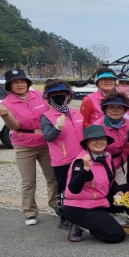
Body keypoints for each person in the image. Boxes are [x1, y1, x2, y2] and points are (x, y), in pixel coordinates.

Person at [0, 68, 58, 225]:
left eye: (22, 81)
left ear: (28, 83)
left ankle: (56, 205)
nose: (20, 84)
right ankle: (30, 212)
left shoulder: (39, 95)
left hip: (46, 142)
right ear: (9, 86)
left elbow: (51, 111)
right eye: (15, 82)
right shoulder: (6, 104)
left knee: (53, 176)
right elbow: (14, 126)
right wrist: (5, 115)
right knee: (29, 181)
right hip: (24, 145)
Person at [62, 125, 129, 244]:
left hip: (99, 200)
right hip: (79, 207)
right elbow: (74, 188)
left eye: (102, 139)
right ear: (87, 143)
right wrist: (86, 169)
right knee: (116, 235)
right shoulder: (81, 161)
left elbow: (111, 181)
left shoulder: (106, 156)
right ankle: (80, 224)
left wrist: (118, 192)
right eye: (94, 139)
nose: (99, 142)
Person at [40, 79, 85, 229]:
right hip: (62, 160)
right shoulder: (47, 116)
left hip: (79, 158)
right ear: (49, 97)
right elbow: (48, 137)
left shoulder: (77, 114)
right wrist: (57, 127)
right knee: (63, 191)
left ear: (69, 95)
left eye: (62, 93)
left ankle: (79, 214)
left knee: (79, 187)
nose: (59, 96)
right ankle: (64, 218)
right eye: (55, 94)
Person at [95, 91, 129, 177]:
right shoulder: (97, 126)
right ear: (105, 109)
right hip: (102, 163)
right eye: (111, 107)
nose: (115, 110)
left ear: (125, 110)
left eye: (119, 107)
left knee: (120, 189)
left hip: (121, 163)